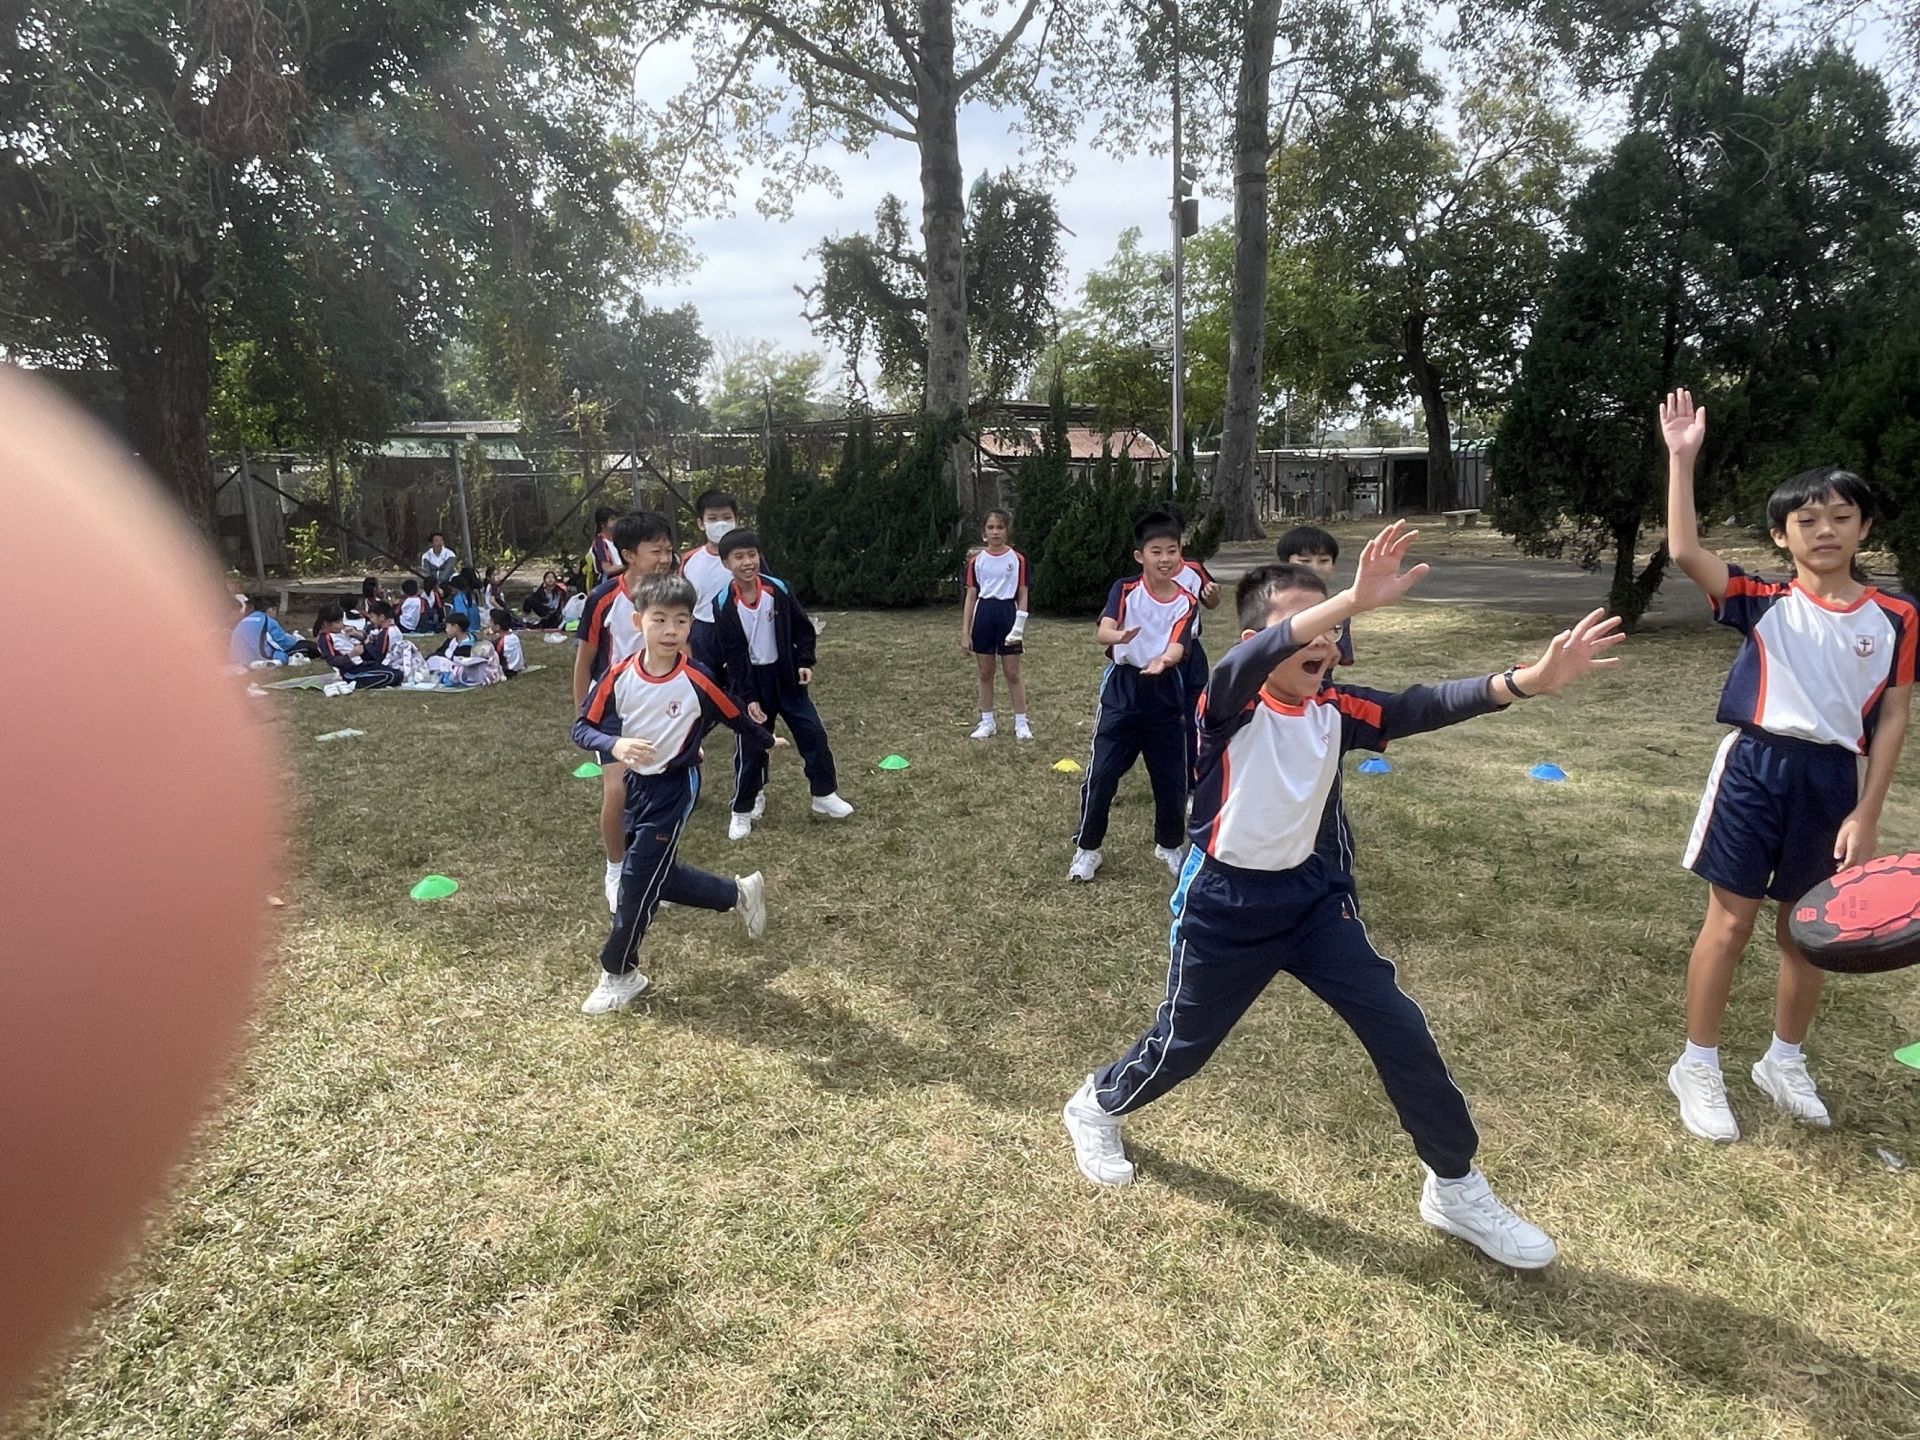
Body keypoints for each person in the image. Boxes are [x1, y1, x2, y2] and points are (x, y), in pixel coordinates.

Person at [1060, 523, 1626, 1269]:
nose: (1326, 642)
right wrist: (1352, 597)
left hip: (1312, 903)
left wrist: (1524, 681)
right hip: (1225, 907)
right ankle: (1097, 1104)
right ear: (1262, 640)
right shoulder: (1226, 702)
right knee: (1181, 1048)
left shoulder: (1337, 708)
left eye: (1336, 629)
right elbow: (1252, 657)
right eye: (1311, 627)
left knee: (1402, 1030)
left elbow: (1420, 705)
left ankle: (1454, 1186)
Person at [1659, 388, 1916, 1141]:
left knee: (1808, 929)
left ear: (1864, 526)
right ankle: (1697, 1064)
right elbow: (1684, 552)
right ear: (1781, 535)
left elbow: (1894, 715)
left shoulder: (1898, 616)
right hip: (1755, 768)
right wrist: (1682, 460)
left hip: (1833, 781)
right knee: (1730, 921)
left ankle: (1784, 1060)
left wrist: (1866, 811)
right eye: (1806, 520)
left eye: (1840, 516)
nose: (1824, 530)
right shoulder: (1761, 598)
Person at [572, 574, 783, 1015]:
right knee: (656, 874)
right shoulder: (618, 676)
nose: (671, 630)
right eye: (660, 619)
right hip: (636, 786)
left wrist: (765, 740)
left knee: (635, 883)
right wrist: (615, 744)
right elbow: (582, 728)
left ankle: (620, 973)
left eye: (681, 621)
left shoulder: (697, 679)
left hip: (675, 788)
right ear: (639, 621)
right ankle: (739, 894)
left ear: (690, 626)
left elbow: (731, 714)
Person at [1070, 508, 1200, 884]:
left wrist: (1163, 660)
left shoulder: (1186, 601)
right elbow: (1103, 631)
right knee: (1102, 773)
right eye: (1156, 551)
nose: (1165, 559)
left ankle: (1169, 845)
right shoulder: (1125, 589)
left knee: (1171, 777)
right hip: (1123, 689)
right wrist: (1119, 637)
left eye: (1172, 550)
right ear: (1140, 556)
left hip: (1166, 690)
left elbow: (1178, 645)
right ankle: (1087, 849)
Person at [711, 530, 855, 840]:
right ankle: (743, 809)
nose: (747, 562)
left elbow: (803, 629)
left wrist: (804, 661)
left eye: (752, 555)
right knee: (752, 747)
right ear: (726, 563)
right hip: (751, 683)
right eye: (739, 557)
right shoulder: (722, 604)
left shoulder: (778, 589)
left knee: (812, 733)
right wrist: (748, 697)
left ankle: (823, 794)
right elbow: (733, 656)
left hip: (786, 678)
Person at [575, 512, 679, 910]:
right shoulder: (603, 599)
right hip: (612, 707)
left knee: (657, 792)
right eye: (656, 551)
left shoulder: (673, 592)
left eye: (668, 550)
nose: (665, 559)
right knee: (617, 788)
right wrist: (584, 716)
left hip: (659, 705)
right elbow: (584, 661)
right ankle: (616, 869)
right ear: (628, 555)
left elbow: (684, 652)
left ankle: (651, 871)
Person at [960, 508, 1034, 741]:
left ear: (1007, 530)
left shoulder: (1018, 560)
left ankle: (1021, 722)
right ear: (984, 531)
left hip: (1007, 614)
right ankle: (987, 721)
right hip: (984, 614)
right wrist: (965, 632)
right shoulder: (976, 561)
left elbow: (1023, 594)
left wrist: (1018, 626)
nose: (995, 532)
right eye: (991, 527)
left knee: (1012, 672)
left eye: (1000, 527)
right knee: (985, 672)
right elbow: (971, 596)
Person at [1277, 524, 1356, 667]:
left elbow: (1340, 657)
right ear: (1285, 564)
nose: (1315, 568)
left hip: (1320, 678)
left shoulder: (1337, 607)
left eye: (1324, 561)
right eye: (1305, 561)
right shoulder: (1273, 605)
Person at [680, 488, 739, 671]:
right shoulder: (689, 560)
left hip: (739, 628)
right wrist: (685, 643)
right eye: (713, 518)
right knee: (705, 680)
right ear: (701, 523)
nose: (720, 524)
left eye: (727, 518)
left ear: (736, 520)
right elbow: (680, 603)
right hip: (703, 632)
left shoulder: (748, 558)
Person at [312, 604, 400, 689]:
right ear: (326, 623)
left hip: (363, 664)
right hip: (350, 671)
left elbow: (365, 635)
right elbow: (332, 660)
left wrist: (356, 633)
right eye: (338, 622)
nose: (341, 624)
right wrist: (352, 654)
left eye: (342, 621)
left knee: (398, 673)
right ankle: (354, 684)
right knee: (390, 676)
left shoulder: (342, 630)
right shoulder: (325, 638)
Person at [362, 600, 434, 686]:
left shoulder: (385, 633)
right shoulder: (395, 629)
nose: (371, 620)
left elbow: (380, 656)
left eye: (372, 617)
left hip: (390, 664)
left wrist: (368, 645)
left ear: (381, 617)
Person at [426, 613, 502, 686]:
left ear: (456, 627)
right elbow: (440, 652)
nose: (446, 630)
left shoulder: (468, 647)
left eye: (447, 627)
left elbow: (461, 664)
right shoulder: (452, 640)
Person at [228, 595, 303, 667]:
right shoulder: (268, 621)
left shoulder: (243, 621)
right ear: (271, 609)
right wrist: (295, 639)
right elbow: (282, 641)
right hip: (260, 655)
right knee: (281, 653)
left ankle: (251, 664)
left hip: (239, 656)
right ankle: (275, 662)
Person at [589, 506, 626, 586]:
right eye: (612, 519)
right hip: (610, 582)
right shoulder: (599, 543)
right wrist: (629, 565)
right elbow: (608, 569)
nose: (616, 522)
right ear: (602, 524)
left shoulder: (619, 539)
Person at [490, 609, 526, 677]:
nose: (489, 624)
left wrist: (487, 638)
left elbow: (494, 656)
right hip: (517, 667)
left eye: (491, 621)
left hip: (507, 671)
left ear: (497, 627)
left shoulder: (501, 642)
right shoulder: (514, 636)